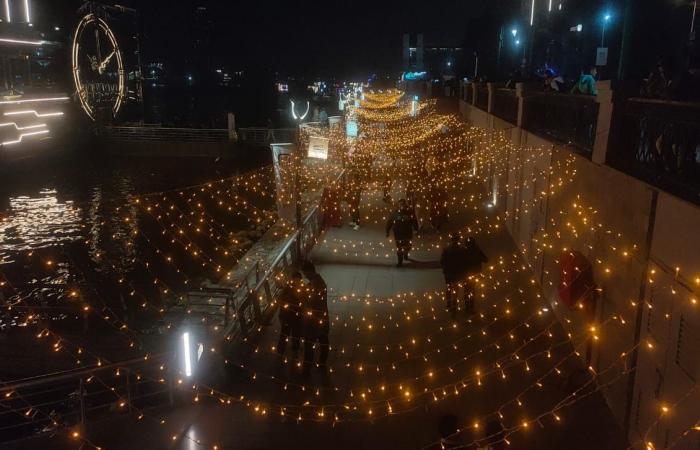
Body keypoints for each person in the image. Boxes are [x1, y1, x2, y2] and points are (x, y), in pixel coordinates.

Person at [301, 261, 330, 374]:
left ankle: (307, 369)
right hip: (321, 317)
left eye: (305, 273)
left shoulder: (317, 284)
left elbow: (312, 301)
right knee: (323, 341)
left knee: (309, 344)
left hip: (314, 320)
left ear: (309, 271)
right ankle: (321, 363)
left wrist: (304, 297)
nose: (305, 276)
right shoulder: (316, 282)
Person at [277, 272, 304, 359]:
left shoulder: (296, 289)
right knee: (286, 334)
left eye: (298, 280)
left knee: (295, 334)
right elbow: (281, 302)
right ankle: (281, 351)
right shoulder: (287, 289)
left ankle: (291, 351)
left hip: (295, 316)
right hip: (288, 316)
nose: (297, 282)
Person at [440, 234, 468, 317]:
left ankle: (448, 304)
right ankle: (454, 306)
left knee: (449, 288)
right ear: (458, 240)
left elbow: (442, 261)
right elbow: (464, 262)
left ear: (451, 240)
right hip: (458, 273)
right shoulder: (462, 250)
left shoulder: (446, 250)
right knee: (456, 289)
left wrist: (445, 268)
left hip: (448, 272)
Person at [386, 199, 419, 267]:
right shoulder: (394, 213)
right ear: (398, 206)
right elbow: (389, 222)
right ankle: (400, 261)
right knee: (399, 248)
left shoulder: (410, 213)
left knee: (407, 246)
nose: (402, 206)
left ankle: (406, 253)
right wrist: (387, 231)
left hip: (407, 233)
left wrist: (416, 229)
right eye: (400, 205)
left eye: (403, 205)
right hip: (398, 234)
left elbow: (414, 221)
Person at [463, 237, 488, 314]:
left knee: (466, 290)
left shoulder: (464, 251)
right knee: (472, 290)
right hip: (474, 274)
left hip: (465, 274)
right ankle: (471, 308)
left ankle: (467, 307)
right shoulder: (477, 250)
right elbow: (486, 260)